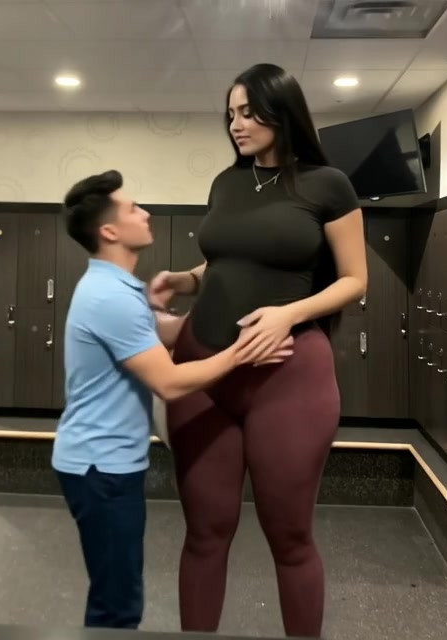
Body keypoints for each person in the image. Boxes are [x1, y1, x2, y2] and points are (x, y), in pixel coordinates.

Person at [148, 64, 368, 638]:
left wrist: (288, 314)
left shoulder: (328, 185)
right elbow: (225, 260)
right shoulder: (226, 183)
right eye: (230, 114)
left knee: (290, 538)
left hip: (286, 376)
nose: (236, 124)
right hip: (203, 370)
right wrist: (185, 279)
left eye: (248, 112)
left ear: (282, 111)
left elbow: (354, 279)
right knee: (204, 532)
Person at [51, 169, 293, 630]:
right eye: (132, 208)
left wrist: (231, 309)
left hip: (103, 462)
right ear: (109, 231)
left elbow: (165, 332)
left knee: (117, 590)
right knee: (117, 604)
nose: (145, 213)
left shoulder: (118, 287)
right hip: (99, 467)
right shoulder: (109, 296)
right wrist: (244, 353)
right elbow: (170, 382)